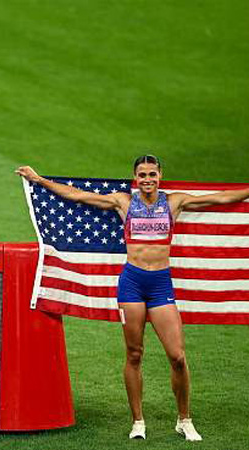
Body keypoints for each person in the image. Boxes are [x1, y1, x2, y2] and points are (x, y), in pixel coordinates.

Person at [16, 155, 249, 441]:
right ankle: (138, 421)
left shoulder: (174, 202)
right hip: (132, 284)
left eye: (152, 174)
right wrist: (39, 180)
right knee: (134, 353)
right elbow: (79, 195)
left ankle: (184, 419)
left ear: (160, 175)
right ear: (135, 178)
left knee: (177, 356)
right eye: (142, 175)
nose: (148, 179)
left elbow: (221, 198)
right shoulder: (123, 202)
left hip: (161, 284)